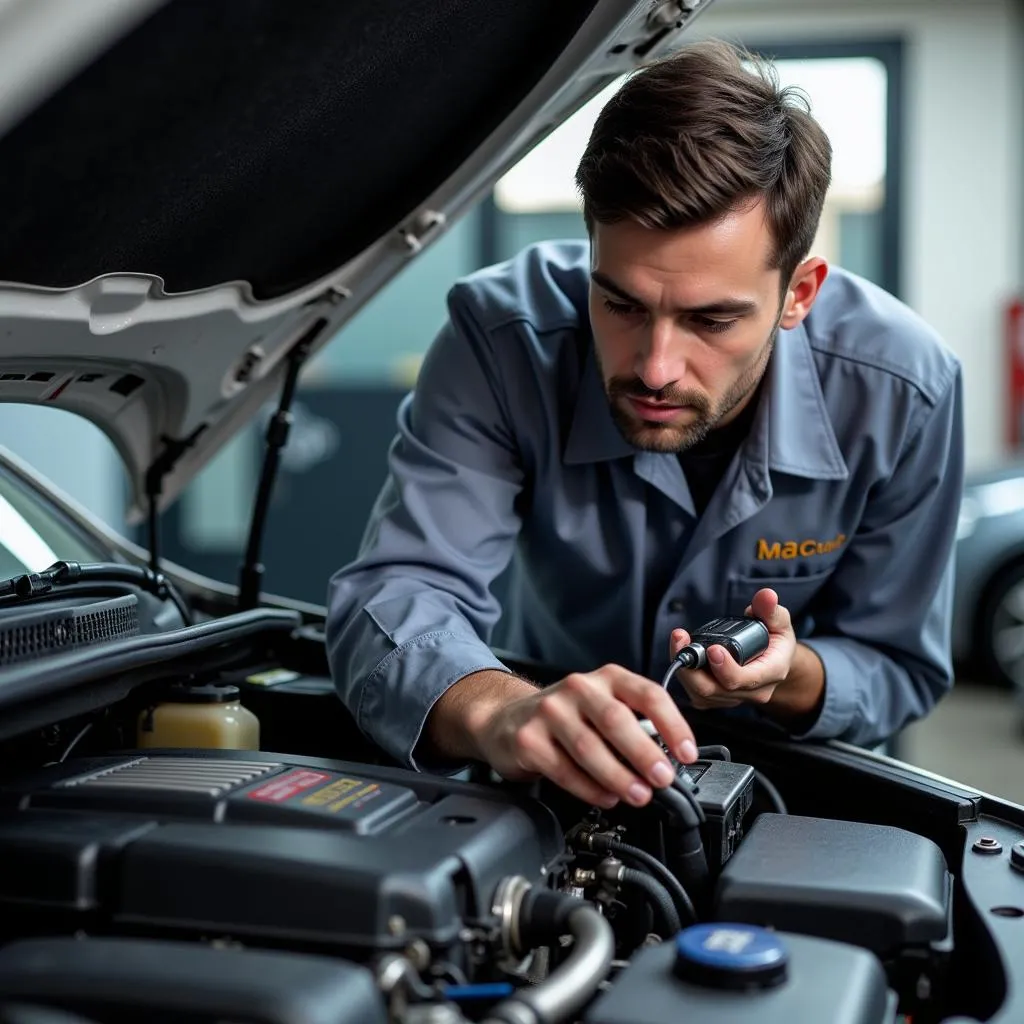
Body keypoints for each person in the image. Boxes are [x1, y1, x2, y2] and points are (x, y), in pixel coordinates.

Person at [325, 39, 964, 812]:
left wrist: (787, 677)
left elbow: (899, 664)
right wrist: (499, 708)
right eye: (621, 304)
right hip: (551, 773)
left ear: (799, 293)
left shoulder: (906, 390)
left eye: (712, 319)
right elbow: (400, 588)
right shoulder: (502, 342)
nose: (656, 366)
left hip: (796, 796)